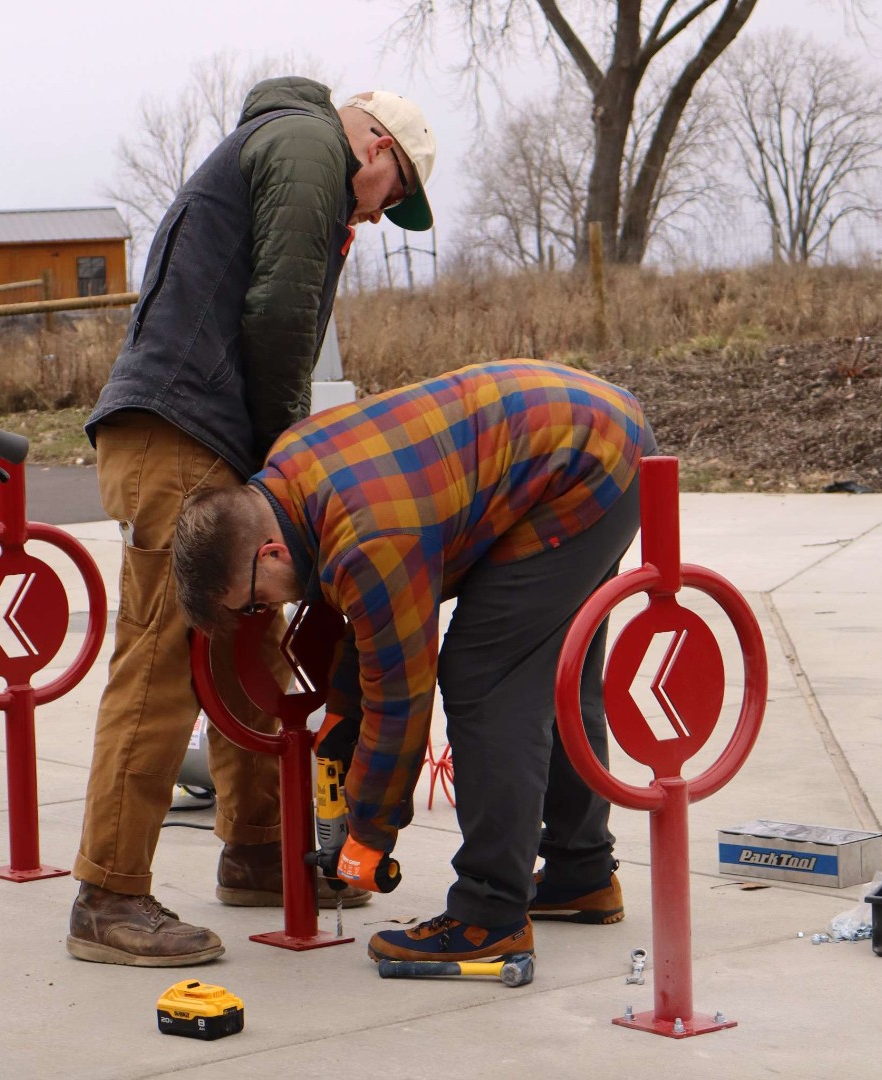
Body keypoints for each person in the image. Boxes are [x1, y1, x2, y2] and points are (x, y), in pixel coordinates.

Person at [66, 76, 437, 967]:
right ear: (377, 148)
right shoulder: (315, 150)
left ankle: (259, 847)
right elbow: (280, 313)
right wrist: (288, 462)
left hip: (193, 428)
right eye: (398, 197)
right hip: (183, 431)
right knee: (162, 657)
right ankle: (108, 893)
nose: (384, 216)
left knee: (241, 639)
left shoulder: (285, 149)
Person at [171, 359, 658, 964]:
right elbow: (369, 631)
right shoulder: (290, 468)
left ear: (270, 553)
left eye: (255, 600)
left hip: (583, 463)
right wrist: (341, 730)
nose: (267, 610)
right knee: (557, 669)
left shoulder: (372, 540)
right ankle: (581, 872)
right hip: (585, 428)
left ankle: (489, 916)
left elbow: (400, 695)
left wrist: (369, 833)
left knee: (488, 680)